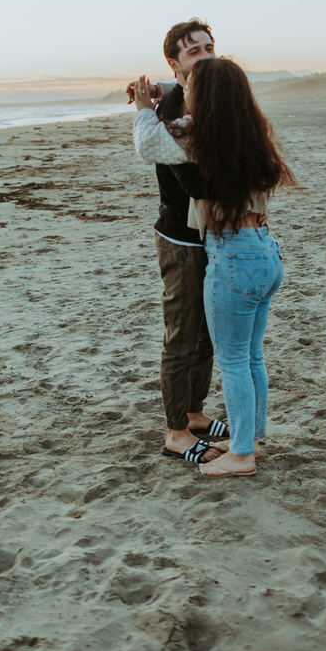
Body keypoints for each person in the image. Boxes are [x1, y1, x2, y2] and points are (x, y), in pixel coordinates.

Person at [133, 57, 298, 477]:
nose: (183, 92)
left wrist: (144, 110)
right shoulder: (250, 136)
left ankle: (241, 454)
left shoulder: (203, 144)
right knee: (252, 356)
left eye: (188, 88)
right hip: (265, 251)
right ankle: (252, 438)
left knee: (234, 361)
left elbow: (150, 144)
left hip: (233, 257)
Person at [127, 19, 227, 466]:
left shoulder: (214, 93)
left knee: (207, 335)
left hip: (214, 234)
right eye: (193, 52)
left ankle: (196, 413)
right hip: (181, 238)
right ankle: (175, 433)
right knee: (181, 336)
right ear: (175, 61)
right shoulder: (167, 105)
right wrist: (148, 103)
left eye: (209, 47)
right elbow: (180, 169)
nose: (205, 56)